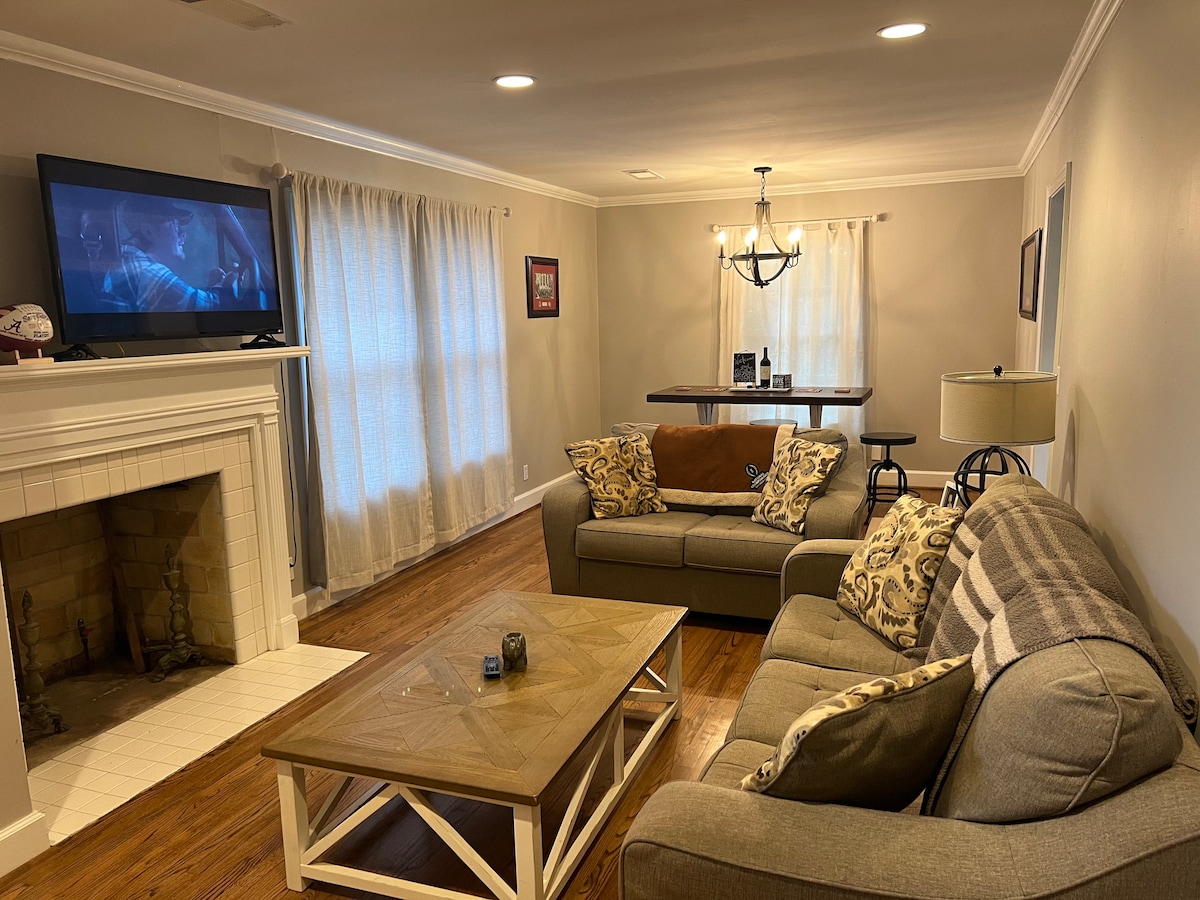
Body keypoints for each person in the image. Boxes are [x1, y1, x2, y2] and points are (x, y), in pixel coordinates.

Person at [103, 195, 241, 312]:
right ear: (148, 232)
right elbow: (215, 307)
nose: (183, 234)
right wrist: (231, 281)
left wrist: (215, 288)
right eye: (175, 226)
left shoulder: (128, 261)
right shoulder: (148, 272)